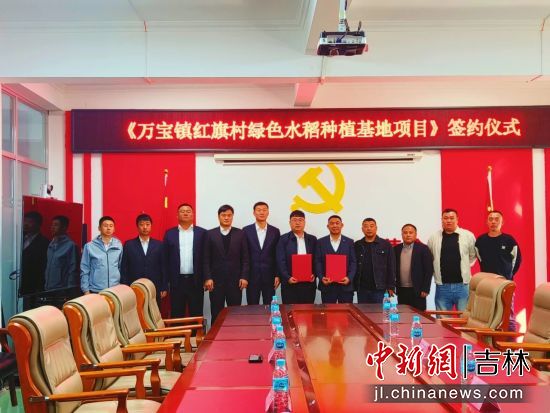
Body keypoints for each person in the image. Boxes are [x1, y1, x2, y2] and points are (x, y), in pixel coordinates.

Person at [475, 210, 522, 331]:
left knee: (508, 316)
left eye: (497, 219)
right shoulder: (480, 241)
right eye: (490, 219)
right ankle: (491, 341)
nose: (493, 222)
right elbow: (480, 260)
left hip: (505, 284)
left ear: (502, 222)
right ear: (487, 222)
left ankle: (510, 341)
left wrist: (508, 276)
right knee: (489, 315)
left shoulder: (509, 240)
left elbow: (516, 260)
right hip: (488, 285)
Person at [203, 205, 249, 324]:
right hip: (215, 282)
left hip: (235, 281)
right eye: (223, 215)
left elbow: (245, 258)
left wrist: (244, 277)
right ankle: (215, 335)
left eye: (229, 215)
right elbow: (206, 258)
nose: (226, 218)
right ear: (218, 217)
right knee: (216, 313)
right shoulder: (210, 234)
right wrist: (208, 278)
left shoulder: (240, 233)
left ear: (232, 216)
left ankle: (234, 335)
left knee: (235, 313)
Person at [427, 208, 476, 311]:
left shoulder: (468, 235)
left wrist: (464, 265)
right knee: (442, 319)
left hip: (463, 286)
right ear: (441, 220)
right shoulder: (434, 237)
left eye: (451, 218)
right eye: (445, 218)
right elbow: (430, 257)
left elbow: (472, 255)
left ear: (457, 219)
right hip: (442, 287)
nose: (448, 220)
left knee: (464, 318)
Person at [164, 203, 206, 318]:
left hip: (196, 281)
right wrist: (165, 282)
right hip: (177, 282)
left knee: (196, 314)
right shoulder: (170, 234)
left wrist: (207, 278)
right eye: (182, 211)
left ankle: (196, 331)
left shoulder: (202, 233)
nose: (185, 213)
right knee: (177, 314)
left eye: (188, 211)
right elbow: (165, 259)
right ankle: (178, 331)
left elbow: (206, 257)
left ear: (193, 214)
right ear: (177, 215)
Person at [121, 213, 166, 306]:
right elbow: (124, 267)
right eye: (141, 224)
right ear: (137, 227)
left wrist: (164, 286)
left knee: (154, 311)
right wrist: (125, 287)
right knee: (136, 312)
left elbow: (163, 267)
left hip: (155, 286)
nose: (145, 227)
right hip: (134, 287)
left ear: (151, 226)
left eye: (147, 224)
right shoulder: (129, 245)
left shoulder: (159, 245)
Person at [243, 201, 281, 305]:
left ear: (268, 212)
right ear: (254, 213)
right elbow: (244, 255)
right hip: (251, 276)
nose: (262, 212)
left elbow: (277, 255)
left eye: (264, 210)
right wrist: (244, 276)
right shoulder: (246, 230)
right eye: (259, 210)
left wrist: (277, 275)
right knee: (252, 307)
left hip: (270, 276)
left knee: (270, 306)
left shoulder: (275, 231)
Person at [276, 210, 317, 304]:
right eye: (294, 220)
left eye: (300, 220)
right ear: (290, 223)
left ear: (304, 222)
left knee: (308, 310)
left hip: (308, 284)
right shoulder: (283, 239)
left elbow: (317, 260)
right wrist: (287, 277)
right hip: (290, 283)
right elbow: (280, 261)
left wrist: (314, 274)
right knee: (289, 310)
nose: (297, 223)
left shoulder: (312, 239)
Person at [315, 215, 357, 303]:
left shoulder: (349, 242)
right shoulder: (320, 242)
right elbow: (318, 262)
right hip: (327, 286)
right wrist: (321, 277)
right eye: (332, 223)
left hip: (346, 286)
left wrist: (349, 278)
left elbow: (353, 262)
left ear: (342, 225)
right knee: (328, 311)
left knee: (346, 311)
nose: (334, 225)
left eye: (337, 223)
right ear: (328, 226)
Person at [354, 218, 396, 303]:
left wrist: (391, 286)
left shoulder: (385, 244)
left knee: (378, 311)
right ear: (362, 229)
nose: (369, 228)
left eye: (371, 226)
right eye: (366, 226)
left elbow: (391, 266)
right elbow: (353, 264)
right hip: (362, 288)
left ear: (376, 228)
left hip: (379, 288)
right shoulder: (357, 245)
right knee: (362, 310)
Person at [393, 223, 434, 311]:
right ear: (402, 234)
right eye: (405, 233)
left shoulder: (423, 249)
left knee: (418, 315)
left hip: (418, 290)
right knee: (403, 315)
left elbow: (429, 270)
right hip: (402, 290)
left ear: (415, 234)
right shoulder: (396, 249)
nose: (408, 235)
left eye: (411, 232)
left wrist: (426, 288)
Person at [80, 216, 123, 294]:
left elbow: (120, 266)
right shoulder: (89, 246)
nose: (108, 228)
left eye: (111, 226)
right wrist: (86, 290)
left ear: (114, 229)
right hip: (96, 290)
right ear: (99, 228)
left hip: (115, 289)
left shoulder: (119, 245)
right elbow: (84, 269)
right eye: (105, 225)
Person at [21, 211, 50, 310]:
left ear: (38, 224)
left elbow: (43, 265)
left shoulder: (44, 242)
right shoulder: (19, 238)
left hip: (34, 284)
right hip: (18, 281)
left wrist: (40, 286)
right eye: (25, 221)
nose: (26, 224)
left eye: (30, 222)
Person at [44, 215, 80, 295]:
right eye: (52, 225)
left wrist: (70, 289)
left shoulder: (71, 245)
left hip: (62, 290)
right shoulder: (51, 244)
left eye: (56, 225)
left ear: (64, 227)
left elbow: (73, 269)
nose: (52, 227)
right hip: (48, 289)